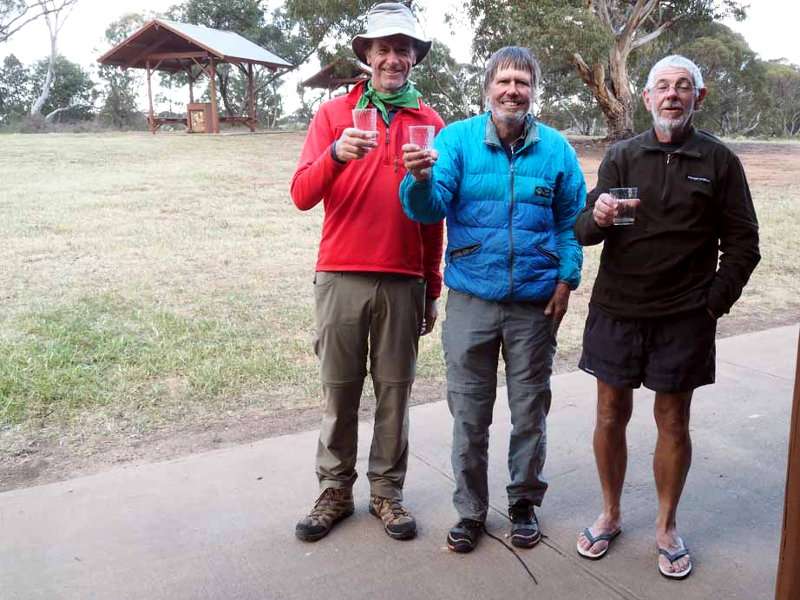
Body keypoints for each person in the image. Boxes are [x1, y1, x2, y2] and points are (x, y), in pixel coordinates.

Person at [573, 55, 760, 579]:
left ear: (698, 97)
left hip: (684, 316)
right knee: (610, 414)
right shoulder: (622, 155)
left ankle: (666, 526)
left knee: (673, 420)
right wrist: (600, 216)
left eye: (683, 87)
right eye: (662, 87)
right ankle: (610, 514)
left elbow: (744, 243)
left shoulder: (719, 161)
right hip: (617, 309)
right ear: (647, 97)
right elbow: (583, 229)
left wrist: (712, 303)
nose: (672, 95)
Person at [400, 46, 585, 553]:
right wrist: (417, 178)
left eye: (522, 83)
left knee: (529, 411)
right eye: (504, 81)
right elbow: (427, 208)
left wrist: (567, 279)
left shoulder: (556, 150)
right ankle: (470, 512)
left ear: (533, 91)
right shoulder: (456, 141)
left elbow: (572, 222)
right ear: (487, 88)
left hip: (534, 305)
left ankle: (524, 504)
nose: (512, 91)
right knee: (469, 413)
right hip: (471, 302)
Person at [290, 2, 444, 542]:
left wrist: (432, 286)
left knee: (395, 392)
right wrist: (334, 155)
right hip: (340, 273)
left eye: (403, 49)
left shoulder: (430, 123)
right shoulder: (333, 115)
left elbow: (434, 216)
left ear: (413, 58)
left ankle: (387, 493)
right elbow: (301, 195)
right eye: (383, 48)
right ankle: (334, 489)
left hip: (404, 277)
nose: (393, 58)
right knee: (339, 390)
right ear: (367, 55)